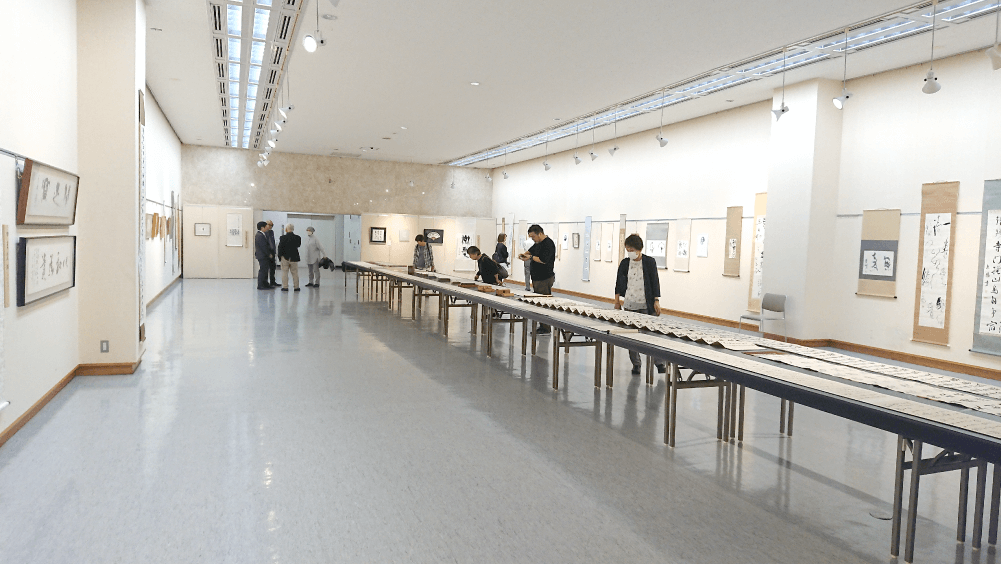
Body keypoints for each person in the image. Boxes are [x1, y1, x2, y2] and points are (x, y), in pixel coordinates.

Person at [614, 234, 666, 375]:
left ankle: (659, 362)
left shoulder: (649, 262)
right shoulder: (625, 263)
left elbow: (655, 281)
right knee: (632, 337)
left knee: (652, 335)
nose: (630, 252)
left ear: (639, 249)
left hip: (646, 304)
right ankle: (636, 364)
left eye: (631, 249)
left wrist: (656, 300)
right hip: (630, 304)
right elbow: (618, 282)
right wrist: (617, 301)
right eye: (627, 250)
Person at [519, 224, 556, 334]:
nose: (532, 239)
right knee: (539, 303)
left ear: (540, 234)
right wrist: (524, 255)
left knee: (543, 303)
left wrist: (530, 257)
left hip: (544, 277)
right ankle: (542, 326)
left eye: (533, 236)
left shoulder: (548, 244)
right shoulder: (538, 243)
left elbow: (543, 260)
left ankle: (546, 327)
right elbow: (530, 251)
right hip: (537, 278)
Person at [277, 223, 302, 292]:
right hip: (294, 257)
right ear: (293, 229)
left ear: (286, 229)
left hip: (285, 257)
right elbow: (298, 245)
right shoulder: (297, 237)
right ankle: (296, 287)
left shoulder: (282, 238)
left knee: (284, 272)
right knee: (295, 273)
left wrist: (279, 257)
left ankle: (285, 287)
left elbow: (280, 248)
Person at [255, 221, 274, 290]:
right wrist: (269, 254)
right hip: (262, 256)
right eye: (266, 226)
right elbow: (263, 247)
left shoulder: (262, 234)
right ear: (262, 227)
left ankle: (265, 284)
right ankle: (260, 285)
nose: (267, 228)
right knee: (262, 270)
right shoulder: (259, 235)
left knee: (265, 270)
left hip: (263, 255)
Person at [265, 220, 279, 287]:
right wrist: (268, 253)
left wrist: (274, 252)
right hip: (267, 253)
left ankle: (272, 282)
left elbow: (272, 243)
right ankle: (266, 283)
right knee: (266, 268)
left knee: (273, 268)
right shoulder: (264, 233)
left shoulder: (271, 232)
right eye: (270, 225)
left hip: (272, 252)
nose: (271, 226)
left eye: (272, 225)